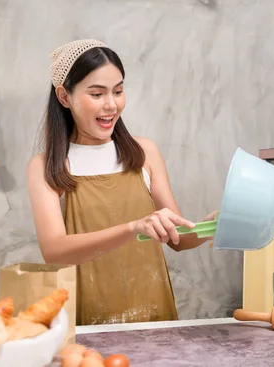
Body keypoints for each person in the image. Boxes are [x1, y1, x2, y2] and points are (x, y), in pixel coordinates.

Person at [27, 39, 216, 326]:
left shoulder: (144, 153)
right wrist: (133, 228)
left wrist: (214, 225)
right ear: (64, 97)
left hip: (154, 315)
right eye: (97, 93)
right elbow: (54, 250)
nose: (111, 105)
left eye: (118, 91)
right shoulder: (47, 166)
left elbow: (178, 237)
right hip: (88, 322)